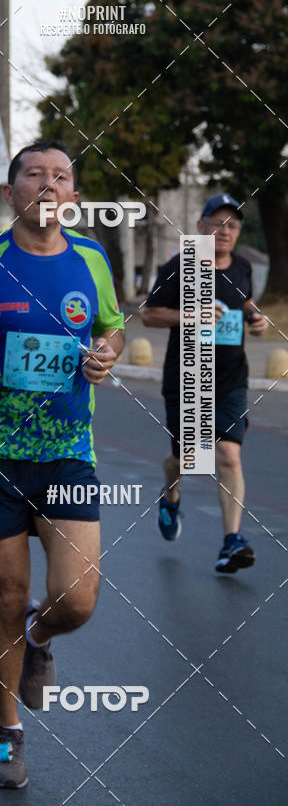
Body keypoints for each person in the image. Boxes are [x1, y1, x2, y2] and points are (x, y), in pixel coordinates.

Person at [0, 140, 125, 789]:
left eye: (60, 176)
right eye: (34, 173)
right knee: (6, 596)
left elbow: (113, 324)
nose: (47, 184)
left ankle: (41, 638)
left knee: (76, 600)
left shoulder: (92, 258)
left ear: (72, 195)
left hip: (67, 451)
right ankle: (8, 731)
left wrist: (106, 350)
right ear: (12, 190)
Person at [142, 193, 268, 573]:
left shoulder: (243, 266)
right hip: (188, 378)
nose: (225, 231)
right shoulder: (182, 266)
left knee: (228, 454)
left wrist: (255, 317)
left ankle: (231, 541)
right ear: (200, 227)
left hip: (231, 379)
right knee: (189, 459)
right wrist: (192, 314)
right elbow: (149, 315)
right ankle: (171, 494)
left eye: (232, 224)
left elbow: (243, 301)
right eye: (217, 222)